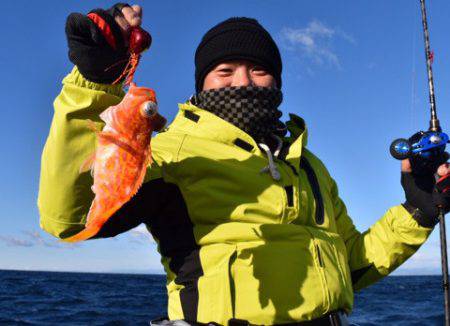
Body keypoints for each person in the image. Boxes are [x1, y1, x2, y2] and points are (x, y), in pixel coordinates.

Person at [38, 3, 450, 325]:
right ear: (202, 83)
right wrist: (93, 85)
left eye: (259, 70)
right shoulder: (171, 154)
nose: (243, 82)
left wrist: (417, 213)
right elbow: (70, 218)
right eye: (224, 71)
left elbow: (353, 262)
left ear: (278, 82)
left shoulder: (308, 166)